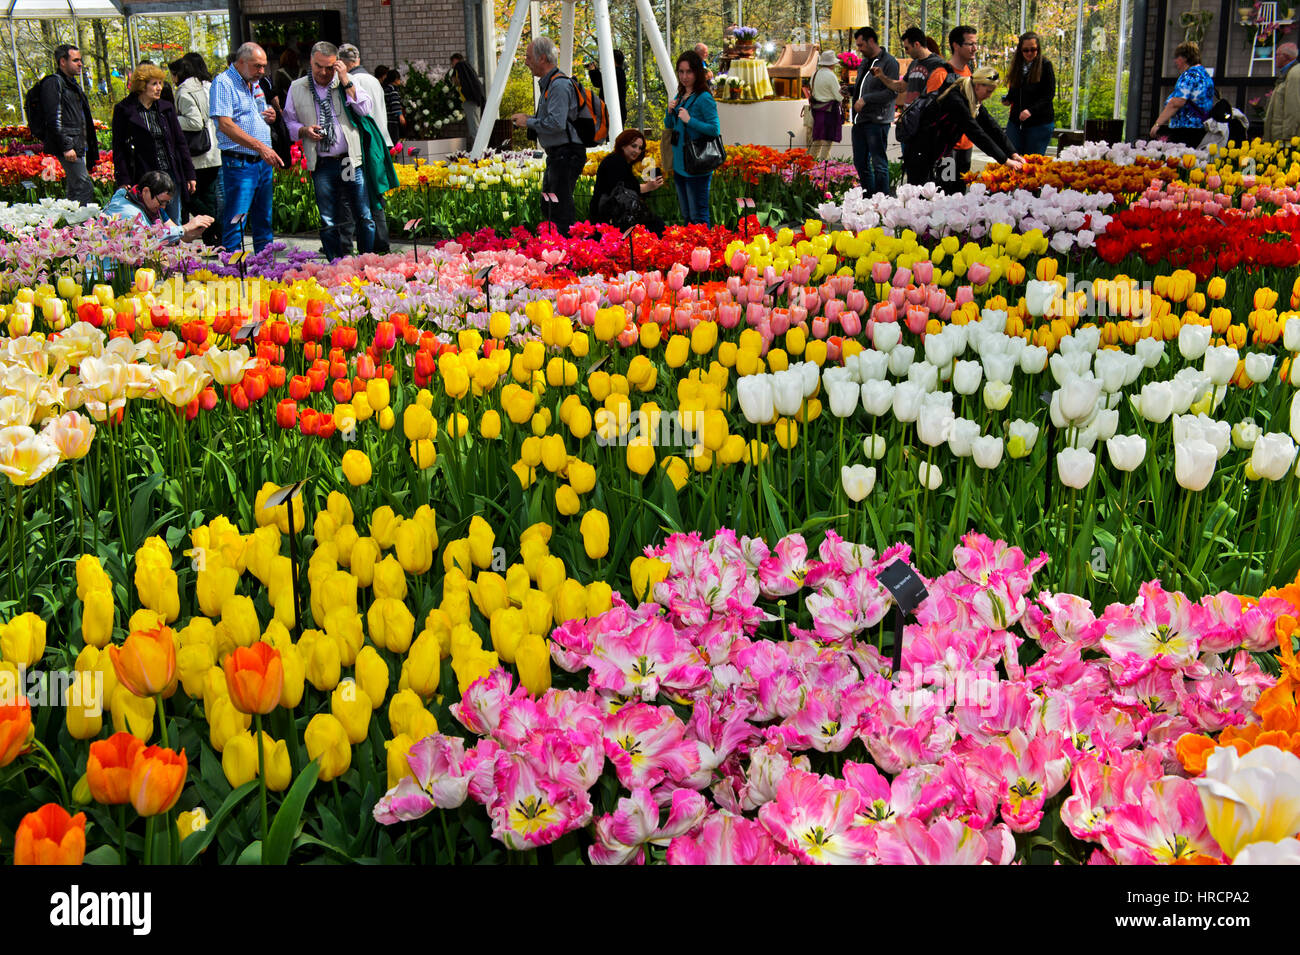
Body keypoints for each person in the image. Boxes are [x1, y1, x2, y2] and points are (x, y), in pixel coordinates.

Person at [285, 41, 377, 260]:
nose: (324, 72)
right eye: (319, 66)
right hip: (322, 163)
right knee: (328, 218)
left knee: (363, 214)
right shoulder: (298, 87)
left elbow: (365, 108)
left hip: (348, 161)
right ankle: (336, 263)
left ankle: (368, 260)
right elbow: (289, 122)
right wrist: (304, 130)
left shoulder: (345, 82)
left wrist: (345, 80)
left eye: (329, 67)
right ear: (311, 61)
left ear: (337, 64)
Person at [209, 41, 284, 253]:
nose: (262, 71)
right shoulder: (224, 83)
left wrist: (270, 114)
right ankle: (232, 274)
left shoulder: (254, 82)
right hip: (240, 162)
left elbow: (254, 114)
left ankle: (265, 270)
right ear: (241, 62)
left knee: (264, 219)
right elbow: (225, 124)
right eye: (257, 66)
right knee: (237, 219)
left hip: (261, 162)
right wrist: (261, 147)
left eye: (264, 66)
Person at [510, 37, 587, 236]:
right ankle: (556, 244)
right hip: (558, 155)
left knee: (559, 208)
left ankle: (567, 249)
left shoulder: (558, 86)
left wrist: (528, 122)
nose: (526, 62)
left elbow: (556, 123)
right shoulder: (549, 84)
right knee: (549, 203)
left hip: (566, 154)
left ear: (542, 58)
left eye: (528, 57)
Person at [905, 66, 1024, 192]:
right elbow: (976, 133)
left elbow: (992, 127)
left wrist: (1012, 153)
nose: (989, 96)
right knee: (923, 197)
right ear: (977, 85)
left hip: (942, 153)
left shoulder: (972, 99)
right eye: (988, 91)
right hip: (922, 154)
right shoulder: (955, 99)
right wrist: (1004, 161)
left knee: (947, 191)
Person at [112, 64, 196, 227]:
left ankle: (174, 252)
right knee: (148, 223)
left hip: (170, 173)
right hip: (144, 176)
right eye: (154, 84)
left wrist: (189, 174)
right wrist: (123, 178)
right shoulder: (124, 109)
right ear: (142, 86)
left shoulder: (166, 108)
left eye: (161, 83)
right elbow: (119, 148)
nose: (159, 88)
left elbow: (180, 143)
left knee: (173, 221)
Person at [338, 43, 393, 253]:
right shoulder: (372, 79)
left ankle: (373, 243)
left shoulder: (351, 82)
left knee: (361, 197)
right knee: (375, 194)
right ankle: (381, 241)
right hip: (381, 142)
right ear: (358, 60)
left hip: (364, 145)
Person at [663, 49, 721, 226]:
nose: (684, 76)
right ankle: (692, 253)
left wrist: (690, 121)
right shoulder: (680, 95)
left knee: (699, 216)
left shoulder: (704, 98)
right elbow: (669, 125)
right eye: (681, 71)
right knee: (687, 216)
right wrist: (669, 111)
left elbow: (714, 129)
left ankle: (705, 252)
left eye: (689, 71)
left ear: (697, 72)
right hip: (680, 165)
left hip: (697, 165)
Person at [39, 45, 99, 206]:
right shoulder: (54, 83)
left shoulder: (71, 84)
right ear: (62, 62)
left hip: (77, 143)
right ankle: (83, 226)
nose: (80, 64)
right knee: (84, 186)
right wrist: (66, 146)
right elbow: (53, 118)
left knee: (75, 188)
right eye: (76, 60)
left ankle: (71, 227)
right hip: (69, 144)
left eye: (80, 60)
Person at [172, 52, 222, 245]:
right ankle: (213, 240)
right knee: (209, 197)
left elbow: (194, 122)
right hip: (215, 150)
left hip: (198, 152)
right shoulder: (210, 86)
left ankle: (217, 227)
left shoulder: (185, 90)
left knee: (190, 197)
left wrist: (171, 119)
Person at [101, 170, 212, 243]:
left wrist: (195, 231)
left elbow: (179, 237)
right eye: (161, 202)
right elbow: (148, 240)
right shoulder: (127, 211)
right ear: (146, 191)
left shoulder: (151, 206)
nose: (163, 207)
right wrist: (185, 228)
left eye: (166, 203)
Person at [927, 26, 978, 184]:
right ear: (956, 45)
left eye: (976, 44)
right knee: (945, 193)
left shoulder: (968, 72)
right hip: (947, 148)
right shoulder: (941, 74)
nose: (975, 48)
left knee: (961, 193)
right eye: (970, 44)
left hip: (966, 144)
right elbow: (932, 114)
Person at [589, 127, 666, 233]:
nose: (637, 151)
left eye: (640, 148)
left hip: (618, 213)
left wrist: (648, 187)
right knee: (657, 227)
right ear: (623, 144)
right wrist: (647, 187)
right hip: (608, 214)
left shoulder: (624, 163)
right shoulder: (615, 160)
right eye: (633, 146)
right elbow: (620, 189)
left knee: (656, 225)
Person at [854, 27, 900, 196]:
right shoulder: (865, 62)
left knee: (879, 162)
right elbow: (863, 88)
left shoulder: (889, 62)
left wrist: (866, 99)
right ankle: (869, 197)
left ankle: (883, 199)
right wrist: (851, 90)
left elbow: (891, 92)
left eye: (861, 45)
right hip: (860, 120)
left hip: (877, 120)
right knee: (860, 162)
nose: (859, 49)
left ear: (871, 41)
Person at [1150, 42, 1216, 147]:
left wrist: (1157, 124)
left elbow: (1177, 102)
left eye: (1177, 57)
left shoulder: (1189, 75)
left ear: (1185, 58)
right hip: (1200, 129)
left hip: (1185, 131)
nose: (1175, 61)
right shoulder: (1204, 75)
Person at [1002, 32, 1056, 156]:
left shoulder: (1045, 66)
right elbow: (1015, 90)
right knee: (1012, 155)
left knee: (1032, 161)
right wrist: (1008, 99)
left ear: (1038, 49)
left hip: (1039, 122)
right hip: (1016, 122)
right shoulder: (1017, 66)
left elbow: (1049, 94)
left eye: (1033, 49)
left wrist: (1031, 111)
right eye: (1025, 50)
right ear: (1020, 50)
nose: (1029, 53)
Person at [806, 51, 843, 162]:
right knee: (827, 139)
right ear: (832, 63)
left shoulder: (815, 74)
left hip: (817, 110)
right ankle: (824, 164)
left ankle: (810, 162)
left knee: (817, 139)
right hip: (829, 110)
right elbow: (838, 96)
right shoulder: (831, 76)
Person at [1265, 43, 1300, 142]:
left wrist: (1288, 138)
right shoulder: (1287, 73)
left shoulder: (1294, 74)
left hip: (1284, 138)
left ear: (1286, 57)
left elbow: (1293, 109)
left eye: (1277, 54)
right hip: (1279, 135)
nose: (1275, 57)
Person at [450, 53, 487, 139]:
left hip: (470, 100)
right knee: (476, 125)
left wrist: (454, 80)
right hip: (475, 99)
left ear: (455, 61)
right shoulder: (467, 68)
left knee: (474, 128)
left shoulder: (460, 66)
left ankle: (479, 151)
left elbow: (458, 81)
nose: (452, 66)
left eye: (452, 63)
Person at [588, 49, 628, 123]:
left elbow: (598, 82)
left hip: (612, 113)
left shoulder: (614, 72)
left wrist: (593, 71)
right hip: (617, 112)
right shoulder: (619, 72)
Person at [381, 68, 408, 139]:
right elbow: (395, 104)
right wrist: (400, 115)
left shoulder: (384, 89)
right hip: (393, 120)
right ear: (396, 80)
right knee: (395, 140)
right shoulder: (393, 90)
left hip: (386, 119)